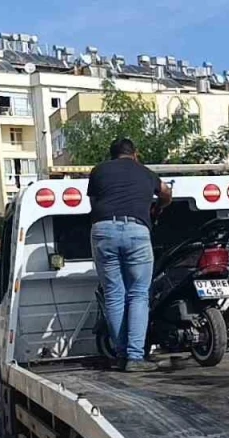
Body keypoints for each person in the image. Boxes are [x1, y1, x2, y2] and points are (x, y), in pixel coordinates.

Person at [87, 137, 173, 372]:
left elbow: (94, 203)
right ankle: (135, 357)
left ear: (112, 155)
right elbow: (166, 193)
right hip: (137, 229)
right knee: (138, 294)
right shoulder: (144, 172)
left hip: (103, 230)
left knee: (114, 294)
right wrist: (158, 207)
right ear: (135, 154)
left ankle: (122, 355)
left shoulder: (98, 171)